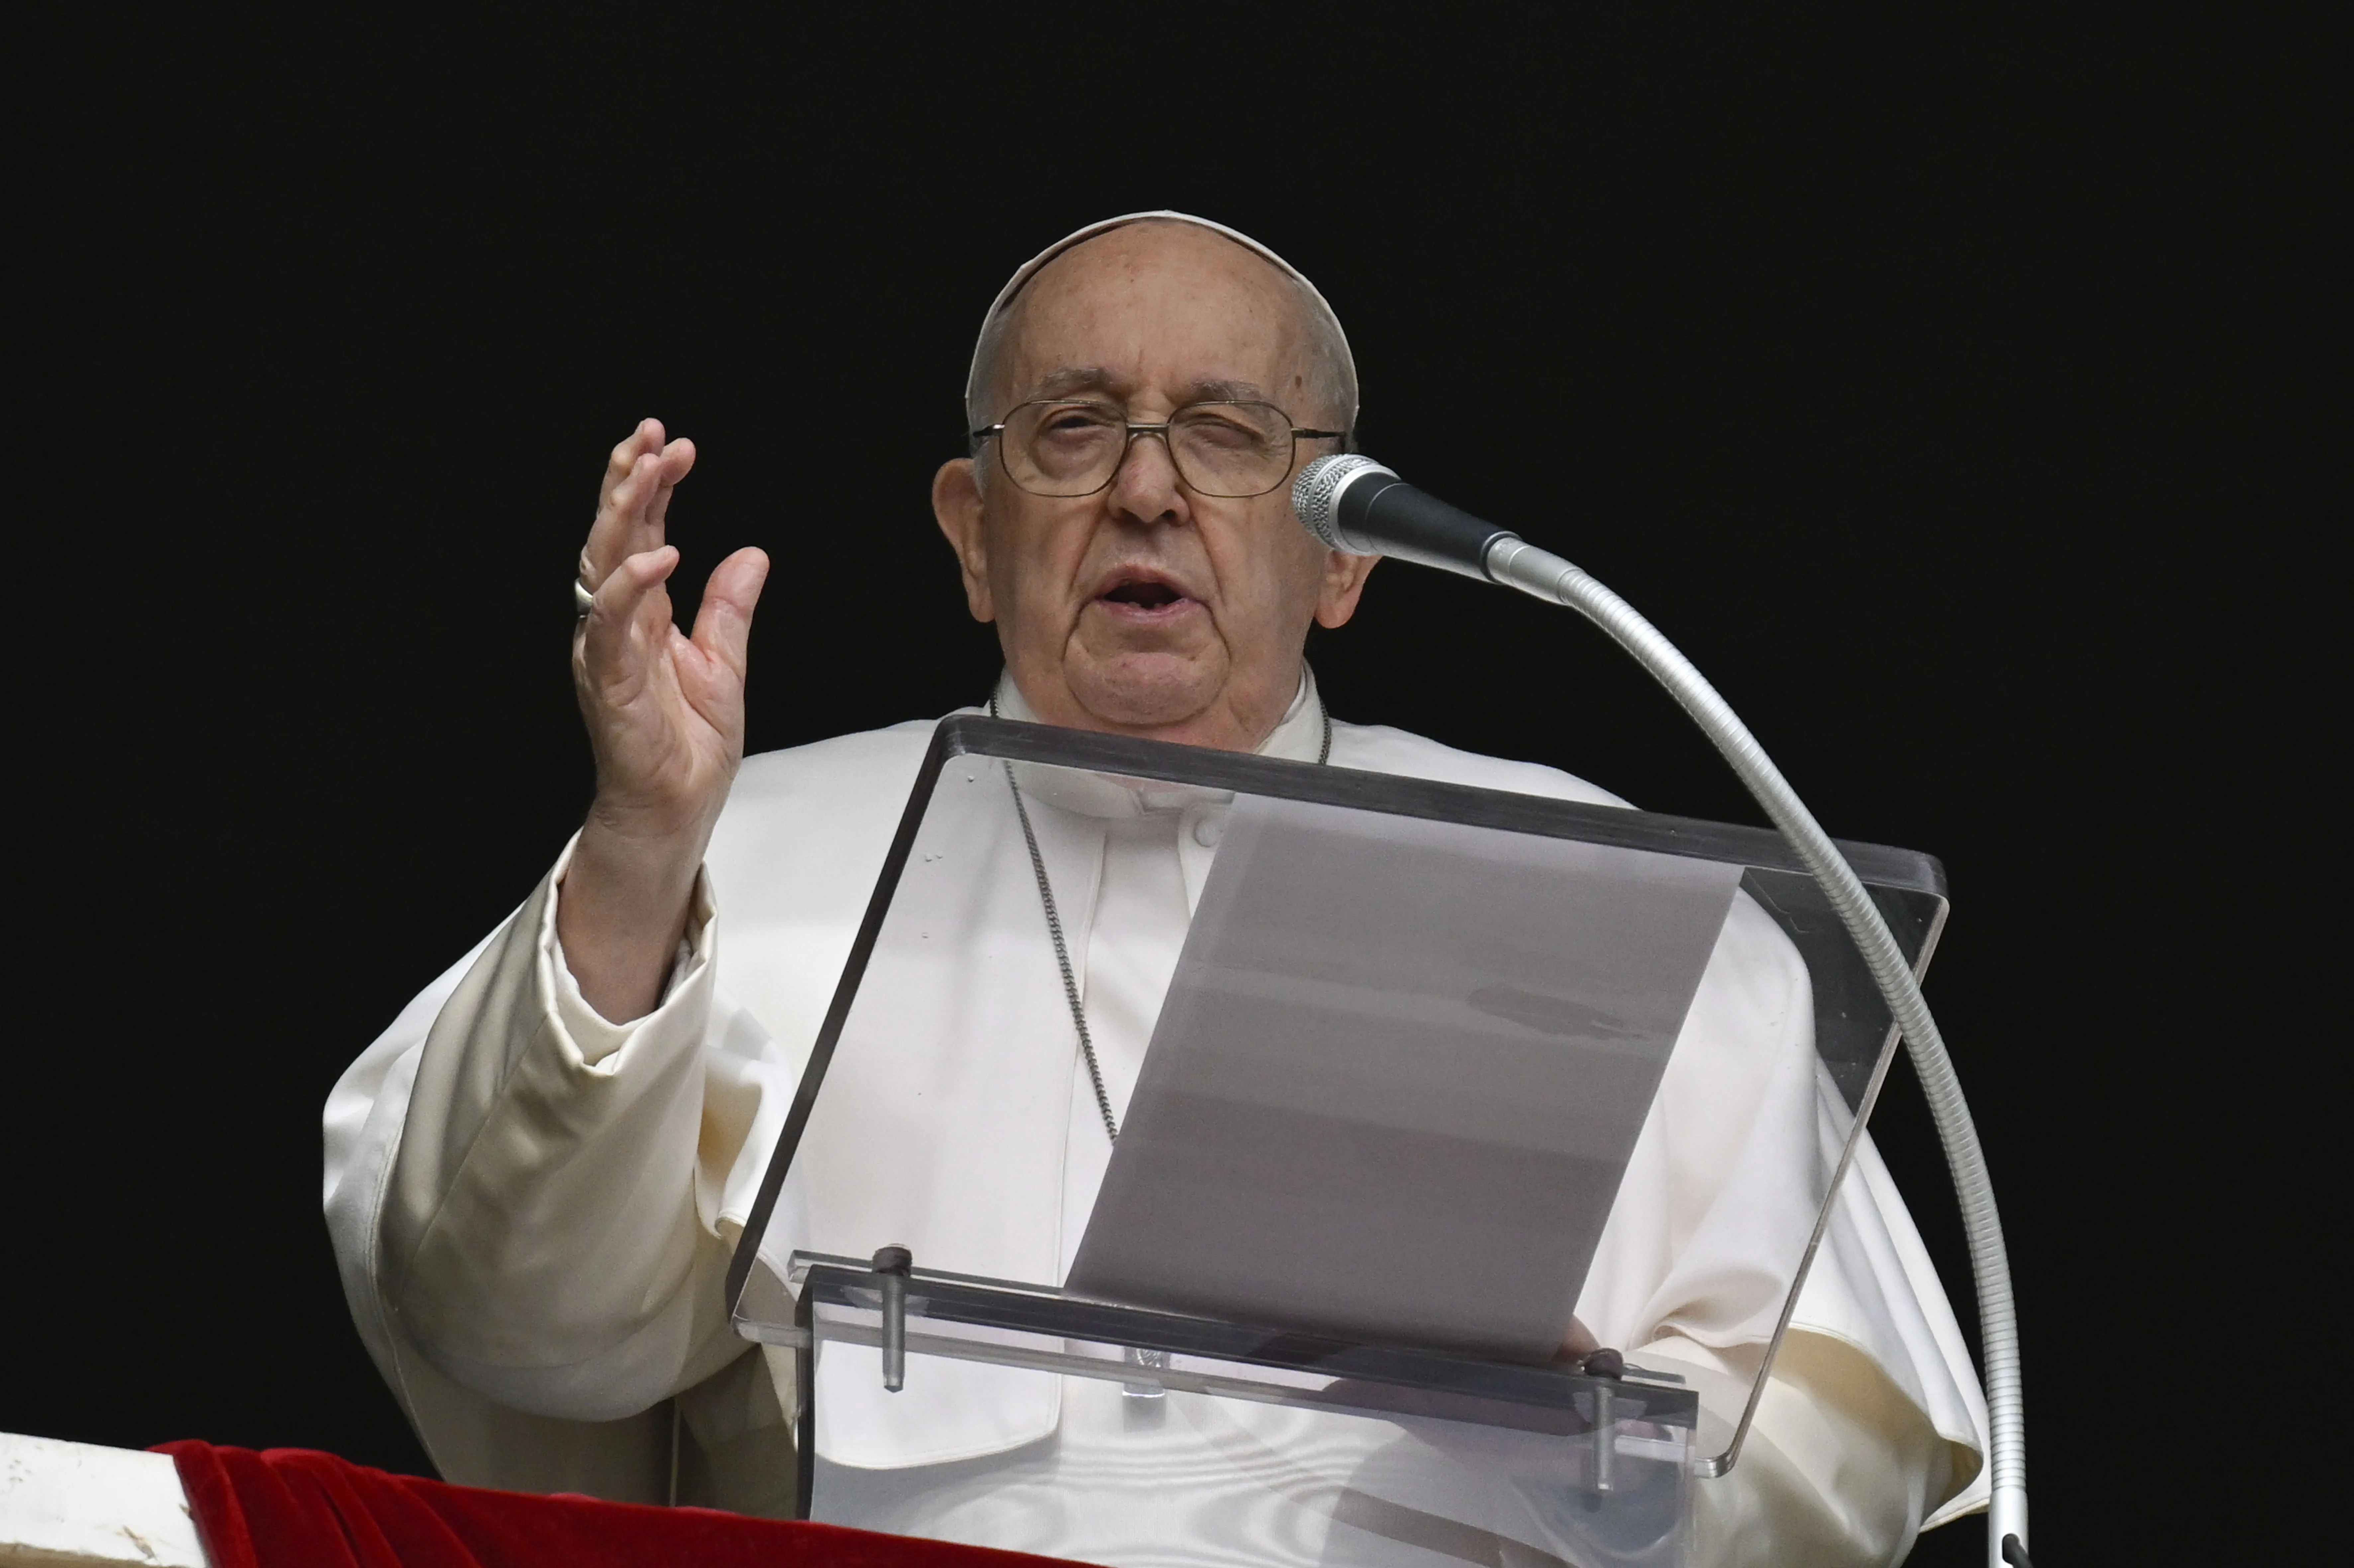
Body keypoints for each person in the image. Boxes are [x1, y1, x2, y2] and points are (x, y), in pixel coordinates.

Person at [325, 213, 1990, 1566]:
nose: (1145, 487)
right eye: (1075, 426)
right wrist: (637, 846)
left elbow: (1836, 1465)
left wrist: (1605, 1451)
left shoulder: (1587, 878)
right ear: (974, 531)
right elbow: (518, 1331)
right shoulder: (738, 852)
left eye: (1225, 433)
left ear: (1345, 552)